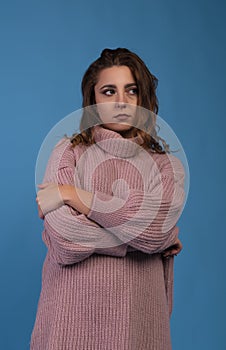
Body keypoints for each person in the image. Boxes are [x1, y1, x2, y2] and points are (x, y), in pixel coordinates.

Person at [31, 48, 185, 350]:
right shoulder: (67, 153)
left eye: (132, 90)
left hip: (140, 326)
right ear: (93, 100)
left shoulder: (166, 166)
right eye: (108, 91)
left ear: (144, 98)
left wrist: (73, 195)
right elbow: (64, 242)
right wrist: (138, 238)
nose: (121, 102)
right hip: (69, 324)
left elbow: (153, 232)